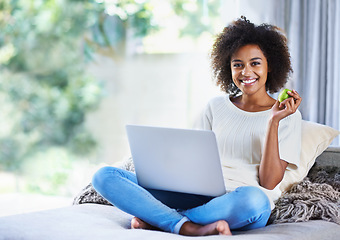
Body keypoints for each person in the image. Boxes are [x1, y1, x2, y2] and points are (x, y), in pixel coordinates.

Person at [92, 16, 302, 236]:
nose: (246, 72)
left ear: (270, 66)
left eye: (255, 63)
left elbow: (269, 183)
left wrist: (273, 121)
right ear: (228, 68)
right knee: (104, 175)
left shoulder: (287, 116)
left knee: (255, 200)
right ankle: (187, 226)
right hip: (196, 195)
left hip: (238, 201)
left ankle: (162, 219)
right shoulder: (216, 106)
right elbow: (192, 159)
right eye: (237, 65)